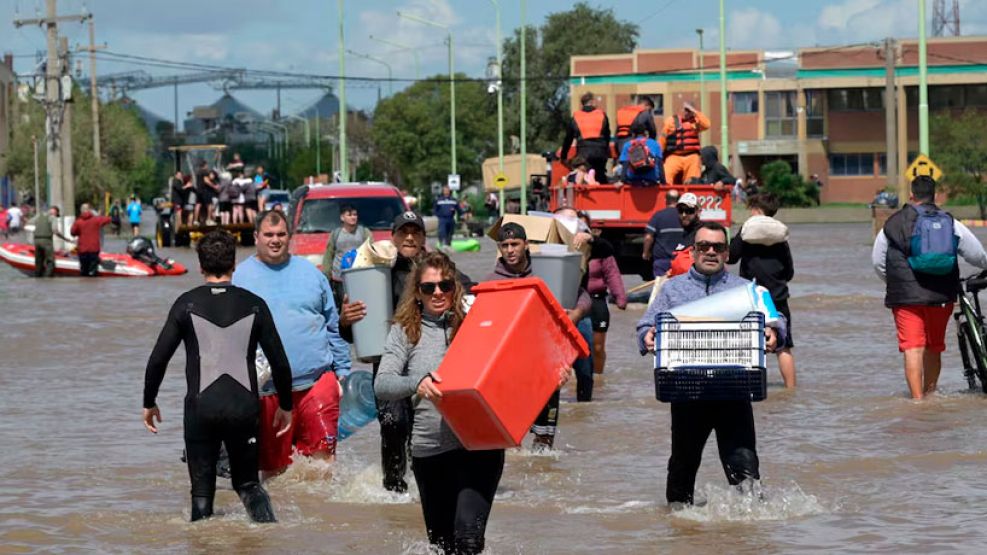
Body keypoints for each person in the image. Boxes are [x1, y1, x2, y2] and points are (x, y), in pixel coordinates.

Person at [375, 250, 571, 554]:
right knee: (442, 546)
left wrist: (550, 377)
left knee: (468, 540)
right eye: (429, 287)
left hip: (480, 445)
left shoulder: (479, 323)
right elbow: (383, 384)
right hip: (429, 450)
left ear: (456, 288)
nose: (438, 293)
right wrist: (418, 382)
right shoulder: (404, 332)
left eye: (445, 285)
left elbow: (516, 372)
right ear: (417, 293)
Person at [142, 231, 293, 523]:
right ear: (234, 264)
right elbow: (280, 363)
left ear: (200, 266)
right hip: (243, 409)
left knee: (201, 495)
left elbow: (157, 359)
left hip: (201, 410)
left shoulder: (185, 303)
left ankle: (203, 545)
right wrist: (286, 405)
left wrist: (149, 402)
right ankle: (270, 537)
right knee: (248, 484)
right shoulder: (255, 303)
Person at [637, 221, 783, 506]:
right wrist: (647, 336)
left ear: (727, 253)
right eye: (704, 246)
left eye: (718, 247)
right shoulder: (671, 290)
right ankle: (679, 528)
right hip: (686, 391)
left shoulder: (748, 290)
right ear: (693, 252)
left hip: (736, 390)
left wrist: (774, 332)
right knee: (682, 464)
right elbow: (644, 325)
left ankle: (750, 532)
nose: (711, 252)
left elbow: (776, 319)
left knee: (745, 467)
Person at [339, 211, 473, 492]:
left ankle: (426, 483)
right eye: (403, 232)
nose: (409, 237)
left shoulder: (437, 270)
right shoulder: (374, 272)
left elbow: (470, 291)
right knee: (394, 425)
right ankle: (394, 489)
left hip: (431, 363)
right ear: (393, 236)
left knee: (431, 427)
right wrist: (345, 321)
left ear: (424, 238)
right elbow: (355, 333)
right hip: (390, 364)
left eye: (416, 232)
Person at [232, 210, 352, 476]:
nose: (275, 240)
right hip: (267, 391)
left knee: (322, 467)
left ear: (290, 237)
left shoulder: (312, 274)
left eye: (281, 235)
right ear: (256, 237)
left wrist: (342, 373)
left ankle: (321, 517)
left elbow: (333, 326)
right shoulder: (240, 278)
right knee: (274, 473)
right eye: (269, 235)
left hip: (317, 382)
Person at [872, 175, 987, 399]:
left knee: (912, 347)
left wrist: (895, 283)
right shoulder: (950, 222)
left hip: (905, 298)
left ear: (912, 196)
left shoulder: (894, 222)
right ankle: (931, 393)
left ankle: (918, 402)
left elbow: (878, 261)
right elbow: (975, 254)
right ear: (935, 196)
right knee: (934, 347)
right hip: (941, 295)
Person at [485, 221, 591, 450]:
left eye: (515, 244)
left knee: (544, 441)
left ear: (526, 245)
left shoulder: (546, 271)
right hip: (510, 368)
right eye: (505, 245)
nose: (510, 250)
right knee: (513, 438)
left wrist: (575, 314)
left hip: (546, 364)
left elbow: (582, 295)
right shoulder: (492, 281)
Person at [728, 193, 796, 388]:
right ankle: (791, 390)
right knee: (784, 346)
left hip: (752, 297)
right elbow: (789, 270)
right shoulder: (780, 237)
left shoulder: (746, 231)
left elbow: (731, 257)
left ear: (756, 210)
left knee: (750, 344)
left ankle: (751, 388)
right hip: (779, 297)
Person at [578, 212, 627, 374]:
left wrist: (620, 296)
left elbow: (612, 273)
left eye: (583, 229)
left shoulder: (601, 249)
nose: (579, 232)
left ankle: (598, 379)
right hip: (575, 302)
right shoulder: (565, 249)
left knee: (597, 347)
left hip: (596, 301)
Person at [321, 204, 371, 309]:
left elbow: (371, 251)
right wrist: (326, 274)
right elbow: (329, 254)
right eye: (349, 215)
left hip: (359, 276)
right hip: (339, 278)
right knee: (343, 306)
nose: (353, 217)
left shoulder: (364, 232)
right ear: (342, 217)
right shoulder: (336, 234)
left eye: (355, 214)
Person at [560, 91, 611, 184]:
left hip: (583, 154)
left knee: (583, 178)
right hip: (600, 153)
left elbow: (568, 139)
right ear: (592, 102)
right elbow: (607, 136)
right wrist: (606, 152)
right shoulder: (602, 114)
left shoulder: (575, 117)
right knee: (600, 177)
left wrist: (563, 156)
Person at [660, 102, 710, 185]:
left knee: (693, 180)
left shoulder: (695, 123)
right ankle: (668, 194)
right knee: (665, 176)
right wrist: (660, 155)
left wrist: (695, 112)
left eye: (689, 110)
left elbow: (707, 125)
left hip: (692, 156)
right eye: (685, 109)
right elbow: (663, 139)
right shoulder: (671, 121)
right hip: (674, 156)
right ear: (681, 109)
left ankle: (690, 194)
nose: (686, 112)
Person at [643, 189, 684, 279]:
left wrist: (646, 253)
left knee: (661, 289)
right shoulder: (684, 217)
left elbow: (648, 237)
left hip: (662, 261)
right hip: (681, 261)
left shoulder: (658, 216)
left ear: (665, 200)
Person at [667, 193, 704, 277]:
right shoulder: (679, 233)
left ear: (698, 212)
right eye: (680, 210)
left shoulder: (703, 233)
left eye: (689, 211)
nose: (684, 215)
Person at [70, 203, 111, 277]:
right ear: (89, 210)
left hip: (82, 250)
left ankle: (84, 286)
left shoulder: (78, 222)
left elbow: (72, 233)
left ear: (81, 211)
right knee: (93, 271)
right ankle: (93, 285)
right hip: (94, 249)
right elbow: (108, 219)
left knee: (84, 271)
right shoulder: (96, 220)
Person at [618, 120, 663, 186]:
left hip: (633, 181)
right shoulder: (655, 144)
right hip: (651, 181)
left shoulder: (628, 145)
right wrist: (663, 182)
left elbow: (625, 165)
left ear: (633, 134)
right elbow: (659, 165)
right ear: (645, 133)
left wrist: (622, 181)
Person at [31, 206, 68, 278]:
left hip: (36, 241)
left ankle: (37, 278)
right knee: (50, 261)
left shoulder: (39, 216)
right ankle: (47, 278)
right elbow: (55, 230)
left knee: (38, 261)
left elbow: (29, 223)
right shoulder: (53, 218)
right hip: (47, 241)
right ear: (56, 213)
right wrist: (65, 238)